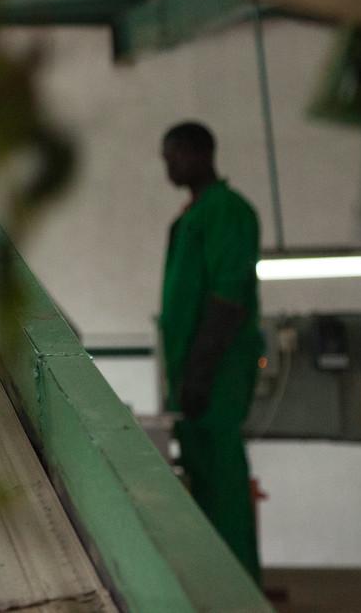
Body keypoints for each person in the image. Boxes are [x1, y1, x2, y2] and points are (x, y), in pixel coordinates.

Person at [158, 119, 265, 584]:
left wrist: (201, 370)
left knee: (222, 484)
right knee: (202, 484)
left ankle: (238, 588)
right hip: (193, 378)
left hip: (217, 373)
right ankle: (215, 584)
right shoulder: (191, 218)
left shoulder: (228, 211)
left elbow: (228, 296)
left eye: (173, 154)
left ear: (201, 153)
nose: (168, 165)